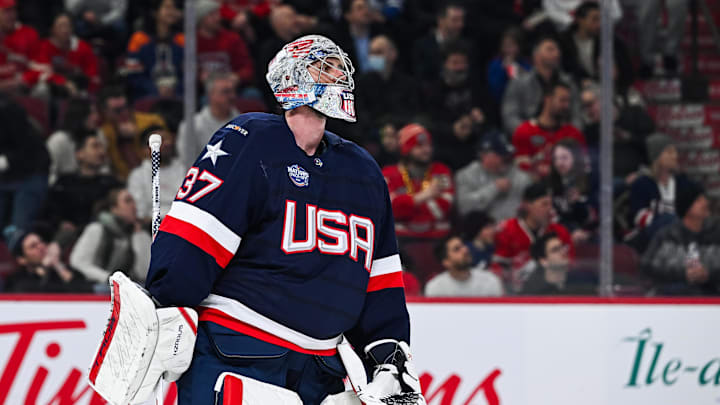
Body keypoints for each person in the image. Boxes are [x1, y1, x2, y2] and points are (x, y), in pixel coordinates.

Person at [145, 35, 424, 404]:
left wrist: (388, 358)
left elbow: (380, 281)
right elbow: (194, 240)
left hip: (321, 370)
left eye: (340, 66)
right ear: (290, 79)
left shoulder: (363, 172)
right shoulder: (250, 140)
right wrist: (165, 302)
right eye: (322, 65)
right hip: (238, 352)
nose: (338, 73)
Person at [491, 182, 574, 292]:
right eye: (544, 204)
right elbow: (498, 269)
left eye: (551, 204)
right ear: (527, 205)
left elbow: (570, 266)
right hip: (516, 294)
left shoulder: (560, 232)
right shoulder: (507, 230)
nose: (550, 209)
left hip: (554, 292)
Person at [641, 181, 720, 295]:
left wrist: (709, 274)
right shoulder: (667, 235)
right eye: (698, 200)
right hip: (672, 299)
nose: (705, 203)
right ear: (687, 207)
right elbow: (647, 267)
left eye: (704, 199)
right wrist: (683, 274)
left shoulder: (716, 234)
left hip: (712, 299)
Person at [45, 131, 121, 244]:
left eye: (102, 147)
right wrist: (60, 222)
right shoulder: (64, 183)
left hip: (106, 237)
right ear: (79, 154)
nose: (101, 152)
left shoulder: (111, 183)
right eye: (95, 146)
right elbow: (50, 210)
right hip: (72, 237)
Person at [382, 123, 454, 240]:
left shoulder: (441, 171)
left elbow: (441, 210)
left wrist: (405, 204)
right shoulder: (388, 174)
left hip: (438, 240)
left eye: (428, 145)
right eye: (419, 146)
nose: (427, 150)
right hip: (400, 241)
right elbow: (389, 211)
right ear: (405, 149)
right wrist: (425, 196)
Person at [501, 36, 581, 134]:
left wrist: (568, 134)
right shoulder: (519, 83)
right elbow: (510, 117)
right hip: (529, 137)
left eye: (557, 49)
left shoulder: (568, 82)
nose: (557, 53)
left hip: (562, 138)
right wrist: (531, 133)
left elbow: (577, 116)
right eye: (550, 49)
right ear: (536, 56)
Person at [70, 188, 150, 283]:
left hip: (128, 288)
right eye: (128, 201)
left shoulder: (140, 234)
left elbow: (144, 272)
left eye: (134, 201)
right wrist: (108, 278)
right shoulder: (97, 229)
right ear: (114, 208)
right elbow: (78, 261)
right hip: (97, 286)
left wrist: (139, 235)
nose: (133, 206)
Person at [627, 133, 691, 252]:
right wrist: (667, 222)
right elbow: (639, 217)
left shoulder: (683, 183)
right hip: (649, 241)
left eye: (675, 152)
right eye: (669, 152)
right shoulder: (642, 183)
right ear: (657, 156)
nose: (675, 156)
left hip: (679, 243)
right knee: (670, 220)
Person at [512, 81, 586, 179]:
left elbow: (581, 168)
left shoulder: (573, 134)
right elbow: (519, 171)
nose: (566, 105)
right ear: (548, 99)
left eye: (568, 101)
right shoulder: (524, 131)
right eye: (562, 100)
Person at [455, 129, 531, 221]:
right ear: (484, 155)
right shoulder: (466, 175)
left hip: (512, 230)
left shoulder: (519, 176)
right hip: (482, 232)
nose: (506, 158)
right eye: (500, 154)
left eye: (507, 154)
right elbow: (464, 208)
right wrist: (494, 188)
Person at [97, 86, 167, 180]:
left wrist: (138, 134)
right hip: (123, 181)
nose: (124, 112)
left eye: (126, 107)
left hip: (159, 176)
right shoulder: (104, 133)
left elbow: (166, 152)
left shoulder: (153, 121)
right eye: (117, 110)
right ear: (105, 112)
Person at [23, 12, 101, 96]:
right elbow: (41, 73)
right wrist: (64, 83)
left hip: (78, 89)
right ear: (52, 29)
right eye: (61, 26)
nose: (65, 30)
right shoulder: (43, 47)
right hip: (54, 87)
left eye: (68, 26)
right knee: (41, 89)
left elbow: (92, 75)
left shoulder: (82, 47)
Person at [177, 73, 239, 168]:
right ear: (211, 95)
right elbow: (187, 161)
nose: (232, 96)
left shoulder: (244, 123)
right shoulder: (192, 125)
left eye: (233, 91)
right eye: (226, 92)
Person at [127, 126, 186, 226]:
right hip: (153, 226)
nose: (168, 143)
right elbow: (139, 212)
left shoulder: (184, 169)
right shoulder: (138, 175)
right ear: (146, 149)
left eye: (168, 139)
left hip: (183, 223)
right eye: (161, 141)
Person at [125, 0, 184, 99]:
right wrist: (155, 90)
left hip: (177, 95)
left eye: (174, 8)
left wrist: (174, 90)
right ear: (155, 12)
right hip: (146, 95)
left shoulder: (182, 39)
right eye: (167, 8)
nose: (172, 12)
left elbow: (188, 74)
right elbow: (133, 74)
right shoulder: (138, 39)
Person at [5, 230, 92, 292]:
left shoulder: (65, 270)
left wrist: (58, 265)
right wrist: (44, 269)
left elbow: (86, 291)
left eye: (41, 241)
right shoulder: (17, 281)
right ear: (22, 260)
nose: (41, 246)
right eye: (33, 246)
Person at [548, 138, 597, 244]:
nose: (559, 163)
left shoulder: (592, 179)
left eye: (564, 158)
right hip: (562, 234)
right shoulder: (550, 184)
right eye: (556, 159)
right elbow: (554, 217)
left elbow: (596, 215)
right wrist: (571, 230)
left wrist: (579, 202)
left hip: (590, 234)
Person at [46, 97, 102, 184]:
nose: (97, 117)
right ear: (79, 115)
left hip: (93, 186)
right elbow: (49, 174)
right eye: (92, 113)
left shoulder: (98, 135)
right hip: (64, 189)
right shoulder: (58, 140)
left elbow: (104, 168)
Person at [425, 235, 503, 297]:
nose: (465, 250)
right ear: (446, 262)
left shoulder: (490, 281)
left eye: (463, 246)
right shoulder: (435, 288)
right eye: (457, 249)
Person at [0, 0, 39, 94]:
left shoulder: (29, 34)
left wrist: (21, 81)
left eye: (14, 10)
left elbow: (40, 67)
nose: (12, 15)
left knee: (41, 89)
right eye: (6, 11)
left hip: (22, 88)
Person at [487, 27, 530, 103]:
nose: (508, 49)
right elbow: (495, 91)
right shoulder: (496, 64)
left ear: (519, 46)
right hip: (501, 103)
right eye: (505, 45)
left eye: (511, 45)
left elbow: (528, 85)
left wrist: (515, 68)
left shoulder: (525, 63)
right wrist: (504, 71)